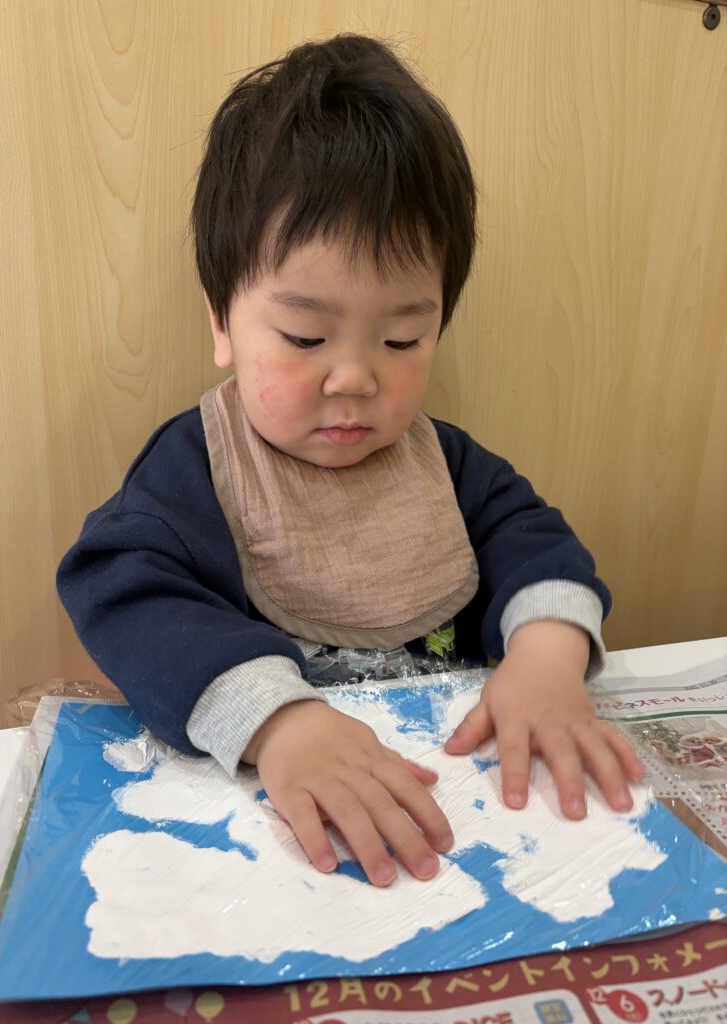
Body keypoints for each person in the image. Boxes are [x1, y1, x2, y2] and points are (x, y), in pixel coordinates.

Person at [57, 33, 643, 889]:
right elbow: (121, 592)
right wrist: (280, 724)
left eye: (402, 339)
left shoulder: (441, 463)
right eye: (304, 336)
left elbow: (537, 542)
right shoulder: (197, 471)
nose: (355, 378)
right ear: (222, 321)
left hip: (466, 805)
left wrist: (546, 660)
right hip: (280, 837)